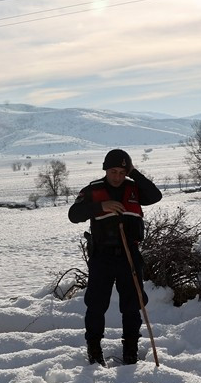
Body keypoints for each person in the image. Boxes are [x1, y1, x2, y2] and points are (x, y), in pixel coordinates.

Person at [68, 149, 162, 365]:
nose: (118, 177)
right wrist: (100, 206)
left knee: (133, 303)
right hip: (103, 256)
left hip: (130, 255)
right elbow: (74, 215)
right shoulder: (93, 190)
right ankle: (94, 349)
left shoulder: (134, 189)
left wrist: (134, 173)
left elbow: (156, 195)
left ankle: (130, 348)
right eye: (113, 171)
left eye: (122, 172)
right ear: (105, 170)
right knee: (96, 304)